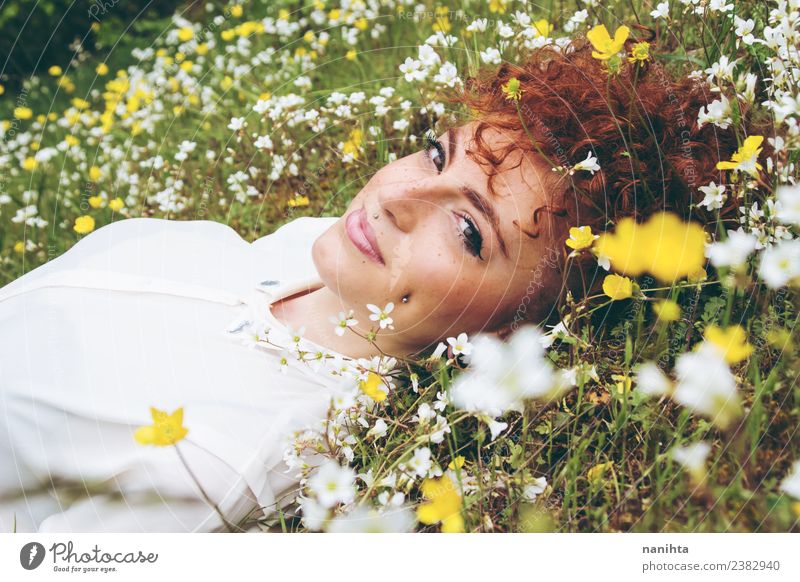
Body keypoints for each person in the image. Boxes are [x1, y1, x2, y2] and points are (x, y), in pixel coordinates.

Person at [0, 36, 764, 532]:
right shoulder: (310, 249)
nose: (400, 198)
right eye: (437, 155)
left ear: (509, 331)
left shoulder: (219, 462)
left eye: (469, 232)